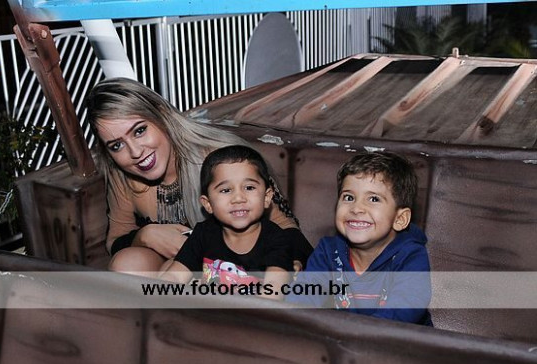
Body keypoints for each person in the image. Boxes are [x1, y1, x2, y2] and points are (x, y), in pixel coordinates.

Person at [86, 77, 311, 274]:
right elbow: (115, 241)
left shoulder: (220, 159)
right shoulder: (122, 173)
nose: (135, 152)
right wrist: (146, 235)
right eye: (116, 145)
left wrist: (287, 264)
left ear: (162, 114)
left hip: (240, 268)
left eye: (139, 131)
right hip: (177, 270)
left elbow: (285, 226)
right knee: (127, 265)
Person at [285, 151, 432, 325]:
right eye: (349, 197)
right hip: (340, 337)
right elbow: (305, 296)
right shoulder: (328, 252)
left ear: (400, 219)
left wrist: (357, 333)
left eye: (373, 199)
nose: (356, 208)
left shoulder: (410, 256)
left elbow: (404, 310)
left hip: (397, 339)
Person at [159, 145, 297, 299]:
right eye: (226, 190)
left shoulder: (277, 240)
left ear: (266, 197)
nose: (238, 198)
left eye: (249, 187)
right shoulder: (203, 234)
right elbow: (175, 276)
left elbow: (273, 292)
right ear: (208, 204)